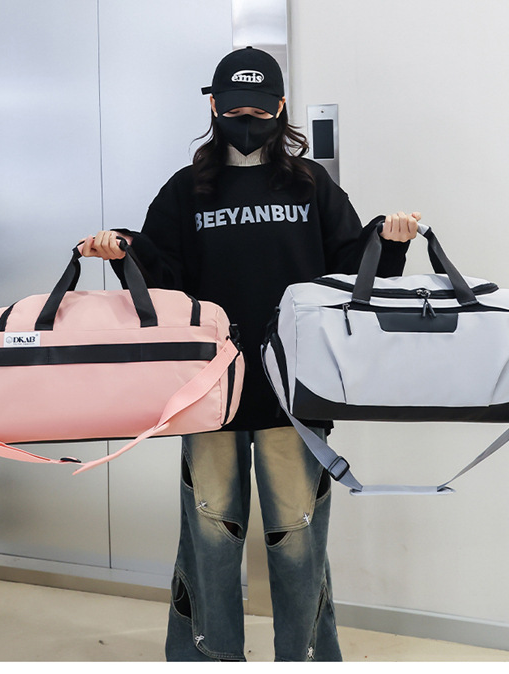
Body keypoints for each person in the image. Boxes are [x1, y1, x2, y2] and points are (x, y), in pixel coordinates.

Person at [81, 47, 420, 662]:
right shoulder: (186, 190)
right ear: (213, 107)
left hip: (295, 389)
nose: (246, 120)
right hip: (209, 389)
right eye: (234, 108)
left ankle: (306, 660)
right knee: (210, 539)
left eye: (258, 110)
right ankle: (208, 659)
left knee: (298, 541)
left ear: (280, 108)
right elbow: (164, 278)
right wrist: (124, 250)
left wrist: (387, 242)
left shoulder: (311, 185)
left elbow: (350, 271)